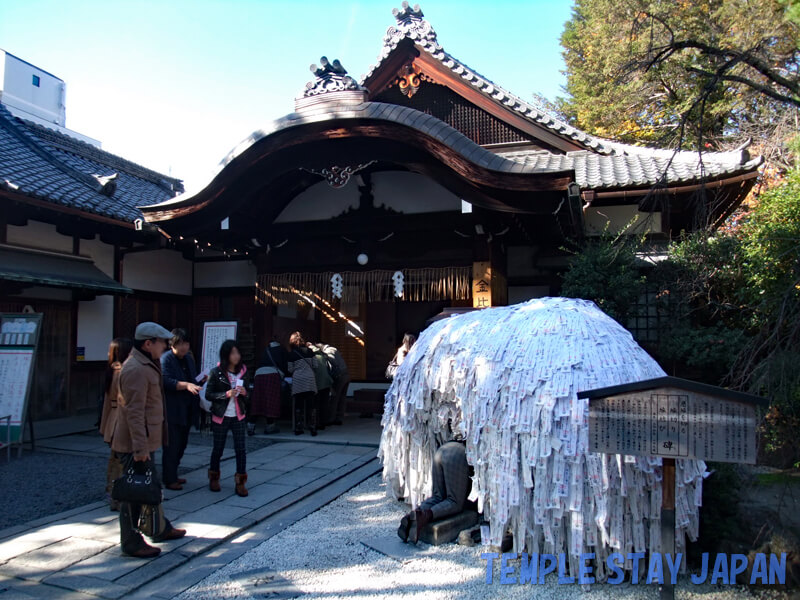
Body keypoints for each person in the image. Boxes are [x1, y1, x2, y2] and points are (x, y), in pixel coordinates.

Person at [111, 322, 186, 558]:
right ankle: (131, 540)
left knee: (150, 486)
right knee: (135, 492)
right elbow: (133, 412)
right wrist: (140, 449)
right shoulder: (135, 368)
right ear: (148, 343)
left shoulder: (146, 364)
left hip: (145, 439)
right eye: (162, 342)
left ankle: (159, 527)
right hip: (136, 443)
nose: (165, 346)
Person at [397, 440, 471, 544]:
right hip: (458, 453)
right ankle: (423, 517)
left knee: (437, 496)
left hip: (442, 450)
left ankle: (411, 516)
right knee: (454, 501)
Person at [205, 340, 250, 497]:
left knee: (241, 449)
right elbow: (208, 394)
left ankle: (241, 482)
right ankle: (214, 477)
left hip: (238, 415)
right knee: (218, 448)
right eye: (232, 353)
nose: (236, 356)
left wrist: (244, 392)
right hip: (221, 415)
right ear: (226, 355)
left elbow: (249, 394)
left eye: (238, 352)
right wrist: (225, 394)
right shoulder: (216, 372)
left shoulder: (243, 371)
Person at [160, 328, 203, 490]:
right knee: (172, 445)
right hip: (172, 409)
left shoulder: (188, 359)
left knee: (182, 444)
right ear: (172, 344)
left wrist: (201, 380)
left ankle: (173, 473)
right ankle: (169, 478)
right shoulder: (166, 359)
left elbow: (193, 379)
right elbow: (166, 381)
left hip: (187, 408)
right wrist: (186, 385)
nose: (183, 347)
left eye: (186, 343)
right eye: (180, 343)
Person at [99, 337, 132, 511]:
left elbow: (106, 402)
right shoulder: (123, 372)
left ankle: (111, 492)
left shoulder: (111, 371)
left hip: (112, 418)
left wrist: (104, 426)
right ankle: (117, 496)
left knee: (115, 460)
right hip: (121, 419)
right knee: (121, 461)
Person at [250, 339, 288, 435]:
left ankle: (251, 425)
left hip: (258, 374)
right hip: (272, 375)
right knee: (271, 401)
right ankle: (270, 426)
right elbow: (285, 365)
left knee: (257, 400)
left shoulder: (265, 350)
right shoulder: (281, 349)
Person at [287, 332, 317, 436]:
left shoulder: (291, 354)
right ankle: (312, 426)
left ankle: (299, 427)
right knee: (311, 404)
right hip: (310, 379)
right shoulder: (310, 351)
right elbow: (316, 365)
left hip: (298, 380)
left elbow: (290, 369)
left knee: (298, 404)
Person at [317, 343, 349, 426]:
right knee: (342, 398)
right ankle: (339, 418)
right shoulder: (334, 349)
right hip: (346, 375)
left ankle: (331, 418)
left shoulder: (328, 351)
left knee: (334, 398)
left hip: (339, 377)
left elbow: (333, 363)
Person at [308, 342, 333, 431]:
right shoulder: (322, 355)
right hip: (326, 382)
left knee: (315, 404)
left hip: (317, 382)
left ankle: (316, 423)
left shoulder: (311, 357)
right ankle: (323, 422)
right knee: (324, 404)